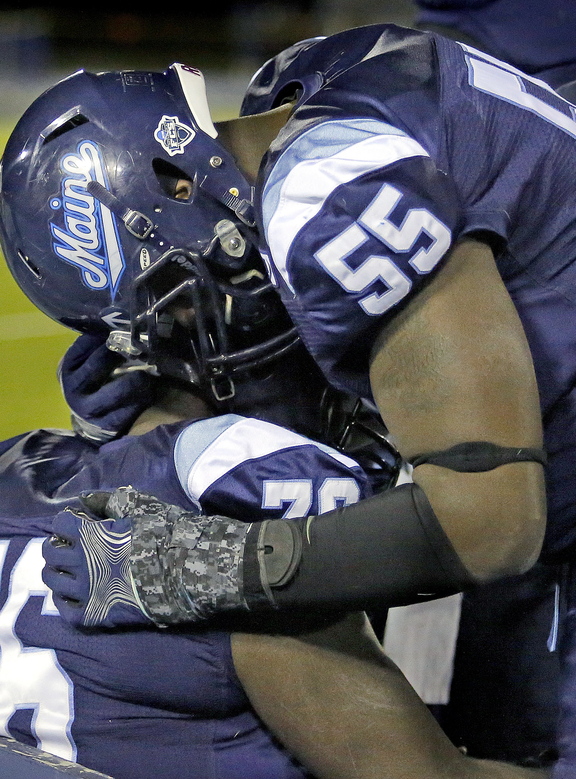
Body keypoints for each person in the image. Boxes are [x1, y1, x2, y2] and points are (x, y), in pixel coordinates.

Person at [0, 28, 569, 773]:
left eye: (170, 306)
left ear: (177, 180)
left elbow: (490, 522)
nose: (189, 338)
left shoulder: (327, 191)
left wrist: (231, 566)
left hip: (527, 505)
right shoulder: (297, 99)